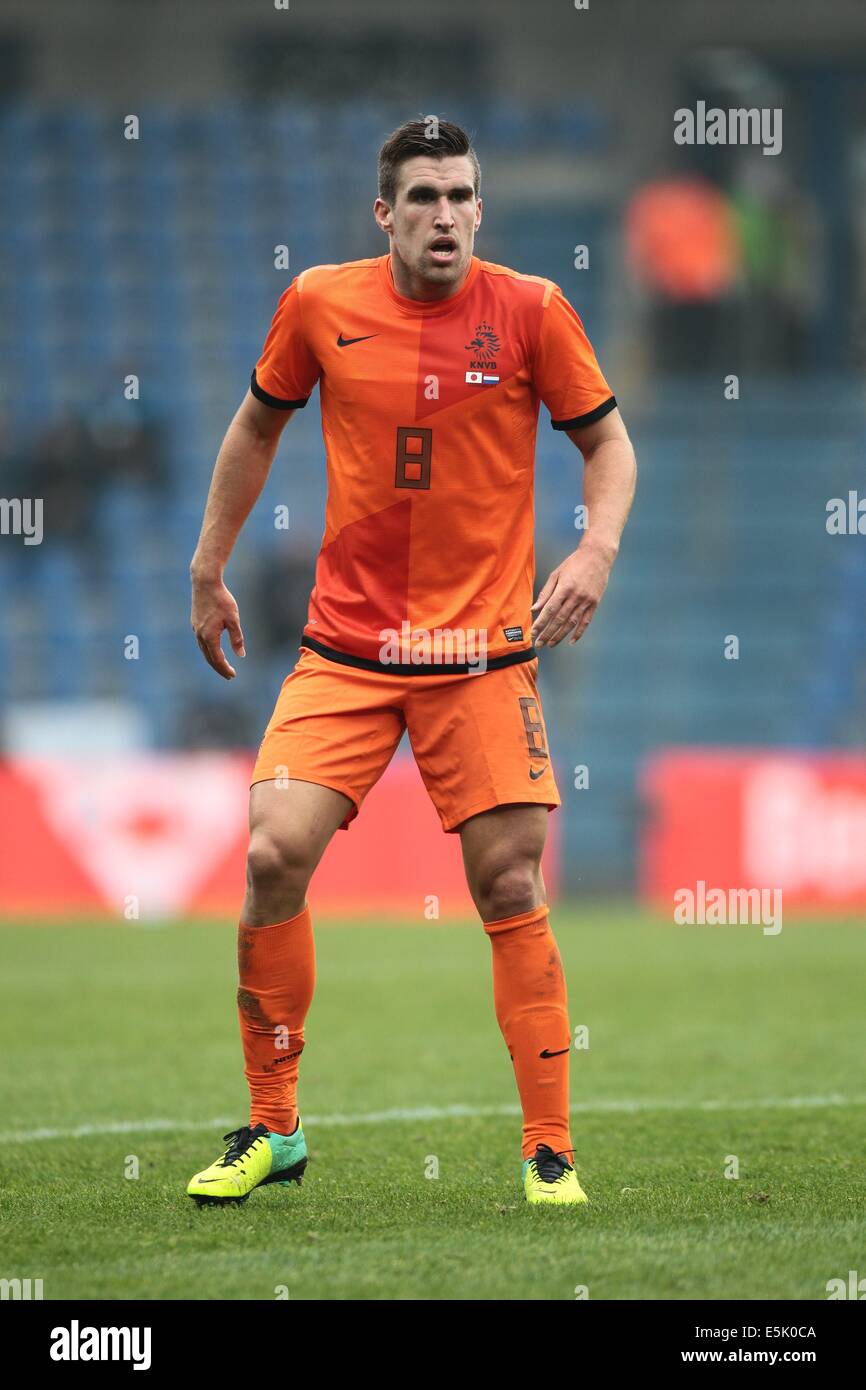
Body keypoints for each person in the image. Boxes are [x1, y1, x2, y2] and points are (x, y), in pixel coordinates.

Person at [188, 118, 636, 1207]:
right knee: (267, 857)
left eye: (461, 196)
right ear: (381, 214)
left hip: (479, 652)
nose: (445, 214)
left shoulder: (530, 310)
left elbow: (605, 444)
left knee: (507, 881)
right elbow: (255, 428)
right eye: (423, 197)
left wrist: (593, 547)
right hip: (346, 648)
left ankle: (548, 1149)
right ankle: (272, 1125)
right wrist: (209, 568)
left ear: (480, 209)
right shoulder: (319, 306)